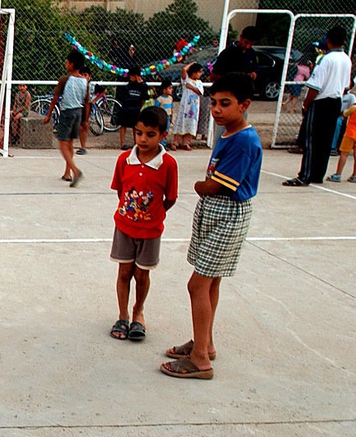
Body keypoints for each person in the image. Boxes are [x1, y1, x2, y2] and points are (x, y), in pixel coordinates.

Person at [161, 73, 262, 380]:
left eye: (225, 104)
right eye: (214, 103)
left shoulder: (244, 140)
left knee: (197, 284)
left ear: (244, 105)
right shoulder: (229, 133)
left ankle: (200, 359)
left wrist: (199, 185)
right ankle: (204, 342)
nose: (217, 110)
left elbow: (217, 186)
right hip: (216, 214)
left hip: (227, 213)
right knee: (211, 282)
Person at [109, 106, 178, 343]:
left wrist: (152, 215)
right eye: (139, 133)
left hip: (150, 231)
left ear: (163, 135)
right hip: (124, 227)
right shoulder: (124, 160)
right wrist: (132, 213)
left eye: (150, 134)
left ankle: (139, 312)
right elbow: (120, 191)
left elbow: (171, 198)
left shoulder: (168, 164)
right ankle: (122, 315)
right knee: (124, 272)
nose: (143, 139)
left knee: (141, 274)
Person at [283, 26, 352, 187]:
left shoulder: (325, 59)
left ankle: (305, 175)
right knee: (325, 139)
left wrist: (306, 103)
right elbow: (347, 83)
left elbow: (315, 86)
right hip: (336, 101)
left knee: (311, 139)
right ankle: (317, 174)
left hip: (321, 101)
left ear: (328, 40)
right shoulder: (346, 59)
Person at [43, 50, 89, 186]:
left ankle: (75, 170)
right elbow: (87, 102)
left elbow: (55, 98)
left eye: (67, 62)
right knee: (70, 143)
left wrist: (48, 115)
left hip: (67, 112)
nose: (65, 64)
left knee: (62, 144)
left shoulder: (65, 79)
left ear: (71, 64)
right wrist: (85, 120)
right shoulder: (84, 81)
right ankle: (67, 173)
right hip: (78, 113)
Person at [208, 26, 260, 144]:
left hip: (240, 98)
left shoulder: (251, 53)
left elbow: (255, 70)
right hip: (227, 97)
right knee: (222, 133)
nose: (247, 46)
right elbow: (213, 75)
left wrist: (252, 74)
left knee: (239, 132)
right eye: (246, 42)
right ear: (241, 37)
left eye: (250, 44)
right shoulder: (228, 53)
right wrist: (230, 79)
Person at [170, 63, 204, 151]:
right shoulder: (186, 80)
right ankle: (175, 142)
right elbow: (184, 70)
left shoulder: (199, 83)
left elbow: (199, 92)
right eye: (199, 72)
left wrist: (191, 87)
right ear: (193, 72)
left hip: (193, 107)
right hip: (185, 106)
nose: (200, 74)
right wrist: (193, 63)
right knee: (181, 122)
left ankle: (186, 143)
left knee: (191, 124)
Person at [115, 66, 148, 150]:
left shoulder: (143, 86)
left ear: (136, 76)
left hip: (135, 108)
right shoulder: (129, 84)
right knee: (124, 125)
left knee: (135, 127)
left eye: (131, 76)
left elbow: (144, 98)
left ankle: (136, 143)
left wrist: (140, 107)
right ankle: (122, 144)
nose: (130, 78)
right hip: (126, 107)